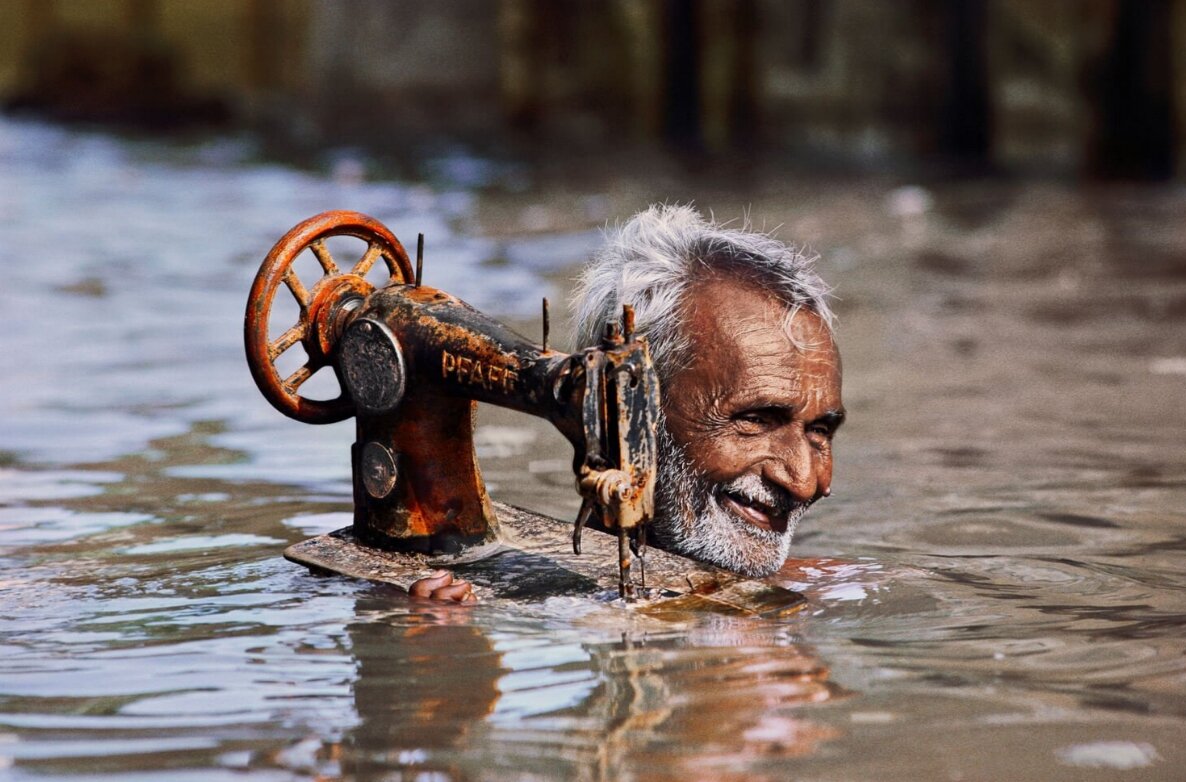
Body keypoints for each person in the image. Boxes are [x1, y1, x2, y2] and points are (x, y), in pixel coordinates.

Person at [414, 204, 844, 601]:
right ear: (621, 407)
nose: (805, 482)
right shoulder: (466, 606)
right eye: (755, 419)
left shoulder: (828, 588)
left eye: (820, 431)